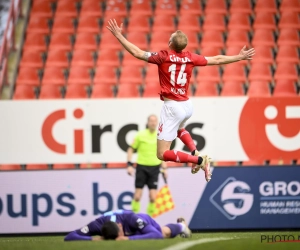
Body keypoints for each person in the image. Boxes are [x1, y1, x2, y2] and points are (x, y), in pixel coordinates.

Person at [106, 19, 255, 182]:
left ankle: (199, 160)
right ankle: (194, 152)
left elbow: (137, 53)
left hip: (172, 107)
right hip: (187, 105)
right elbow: (217, 59)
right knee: (178, 129)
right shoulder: (191, 57)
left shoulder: (163, 56)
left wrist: (119, 36)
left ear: (170, 43)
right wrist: (239, 57)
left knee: (162, 154)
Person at [127, 114, 167, 217]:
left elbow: (163, 153)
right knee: (137, 196)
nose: (153, 123)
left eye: (155, 121)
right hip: (141, 167)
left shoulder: (160, 136)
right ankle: (133, 219)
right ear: (147, 122)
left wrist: (165, 168)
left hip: (155, 168)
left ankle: (150, 220)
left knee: (153, 197)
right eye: (151, 121)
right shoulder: (140, 135)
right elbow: (131, 149)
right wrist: (129, 164)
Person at [64, 210, 191, 241]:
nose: (120, 237)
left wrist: (128, 238)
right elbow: (69, 237)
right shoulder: (96, 225)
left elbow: (156, 235)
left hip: (142, 221)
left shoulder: (132, 219)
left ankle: (181, 226)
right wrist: (92, 240)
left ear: (120, 226)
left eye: (120, 234)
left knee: (163, 233)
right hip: (126, 226)